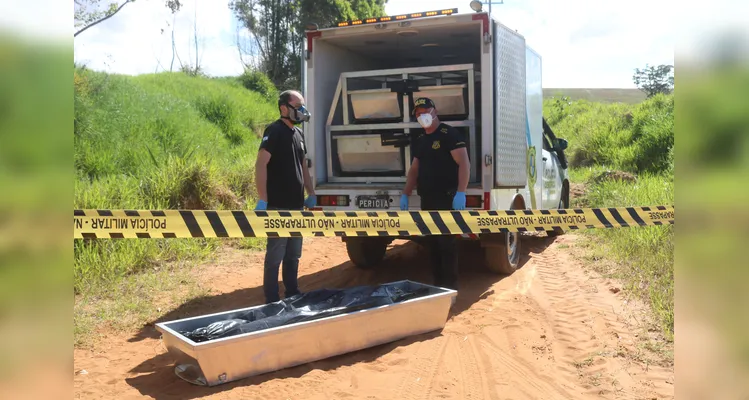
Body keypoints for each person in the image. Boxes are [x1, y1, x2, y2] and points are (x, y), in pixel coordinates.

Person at [400, 97, 471, 291]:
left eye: (425, 111)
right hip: (428, 199)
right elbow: (414, 169)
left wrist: (461, 192)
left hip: (447, 198)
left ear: (434, 111)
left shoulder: (449, 134)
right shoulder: (421, 140)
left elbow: (464, 163)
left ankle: (450, 288)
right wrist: (406, 193)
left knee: (447, 245)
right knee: (432, 245)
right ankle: (437, 287)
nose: (421, 115)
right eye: (417, 113)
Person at [255, 90, 316, 304]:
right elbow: (261, 164)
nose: (301, 111)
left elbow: (303, 167)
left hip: (297, 207)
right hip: (278, 207)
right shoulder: (274, 131)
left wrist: (311, 193)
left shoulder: (298, 135)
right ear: (284, 108)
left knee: (293, 254)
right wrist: (263, 198)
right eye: (297, 106)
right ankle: (272, 299)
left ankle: (292, 293)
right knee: (275, 256)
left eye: (302, 106)